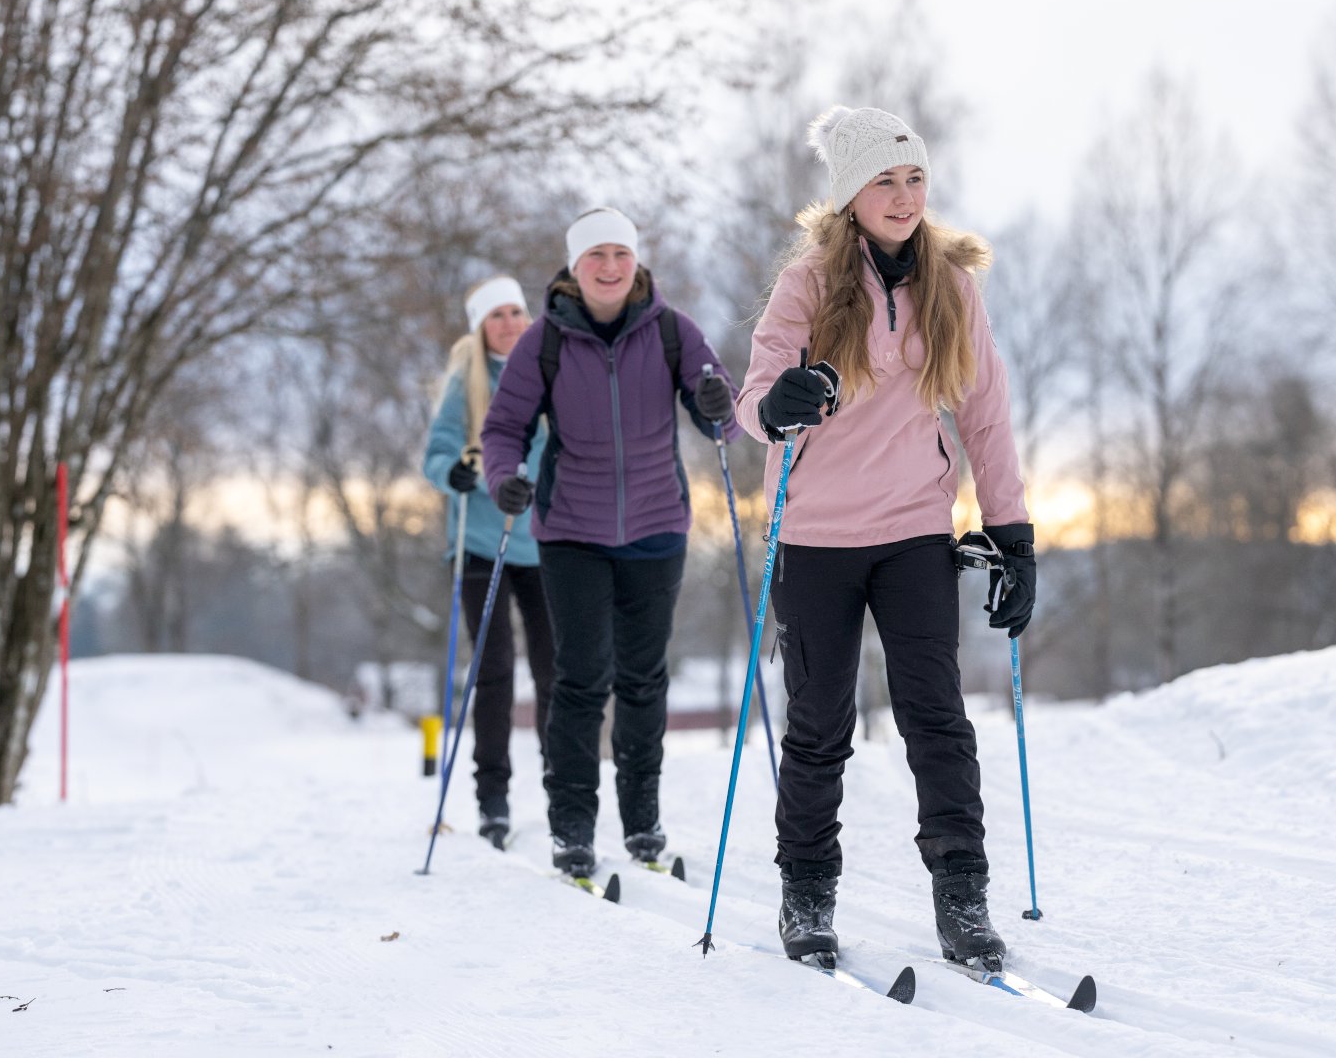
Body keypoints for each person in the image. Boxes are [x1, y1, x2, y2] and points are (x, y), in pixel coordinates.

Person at [734, 105, 1037, 971]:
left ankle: (964, 898)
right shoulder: (806, 287)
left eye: (914, 179)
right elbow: (760, 399)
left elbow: (986, 412)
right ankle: (806, 897)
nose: (904, 196)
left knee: (936, 719)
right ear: (849, 195)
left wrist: (1012, 533)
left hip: (913, 529)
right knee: (820, 725)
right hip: (817, 535)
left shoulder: (952, 285)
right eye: (884, 180)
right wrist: (780, 403)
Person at [481, 207, 740, 877]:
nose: (609, 266)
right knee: (580, 680)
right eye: (595, 255)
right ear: (575, 266)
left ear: (635, 262)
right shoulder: (544, 342)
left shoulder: (675, 332)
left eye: (619, 254)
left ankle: (643, 822)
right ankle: (572, 827)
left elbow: (723, 418)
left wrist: (717, 405)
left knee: (644, 681)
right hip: (572, 534)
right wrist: (504, 478)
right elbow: (505, 428)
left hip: (657, 529)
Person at [422, 276, 556, 850]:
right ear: (481, 327)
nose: (509, 323)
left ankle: (562, 784)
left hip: (547, 539)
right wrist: (451, 471)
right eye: (497, 315)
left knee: (557, 669)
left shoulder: (549, 368)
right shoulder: (467, 382)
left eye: (517, 312)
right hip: (480, 542)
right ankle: (492, 796)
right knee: (495, 667)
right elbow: (437, 451)